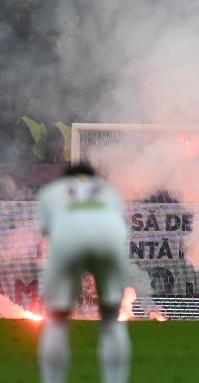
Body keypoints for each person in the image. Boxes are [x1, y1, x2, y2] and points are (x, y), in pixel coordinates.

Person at [36, 163, 131, 383]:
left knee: (57, 320)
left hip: (68, 237)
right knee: (111, 319)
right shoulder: (109, 190)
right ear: (94, 178)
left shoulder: (51, 191)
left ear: (64, 178)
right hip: (109, 237)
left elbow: (47, 233)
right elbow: (120, 226)